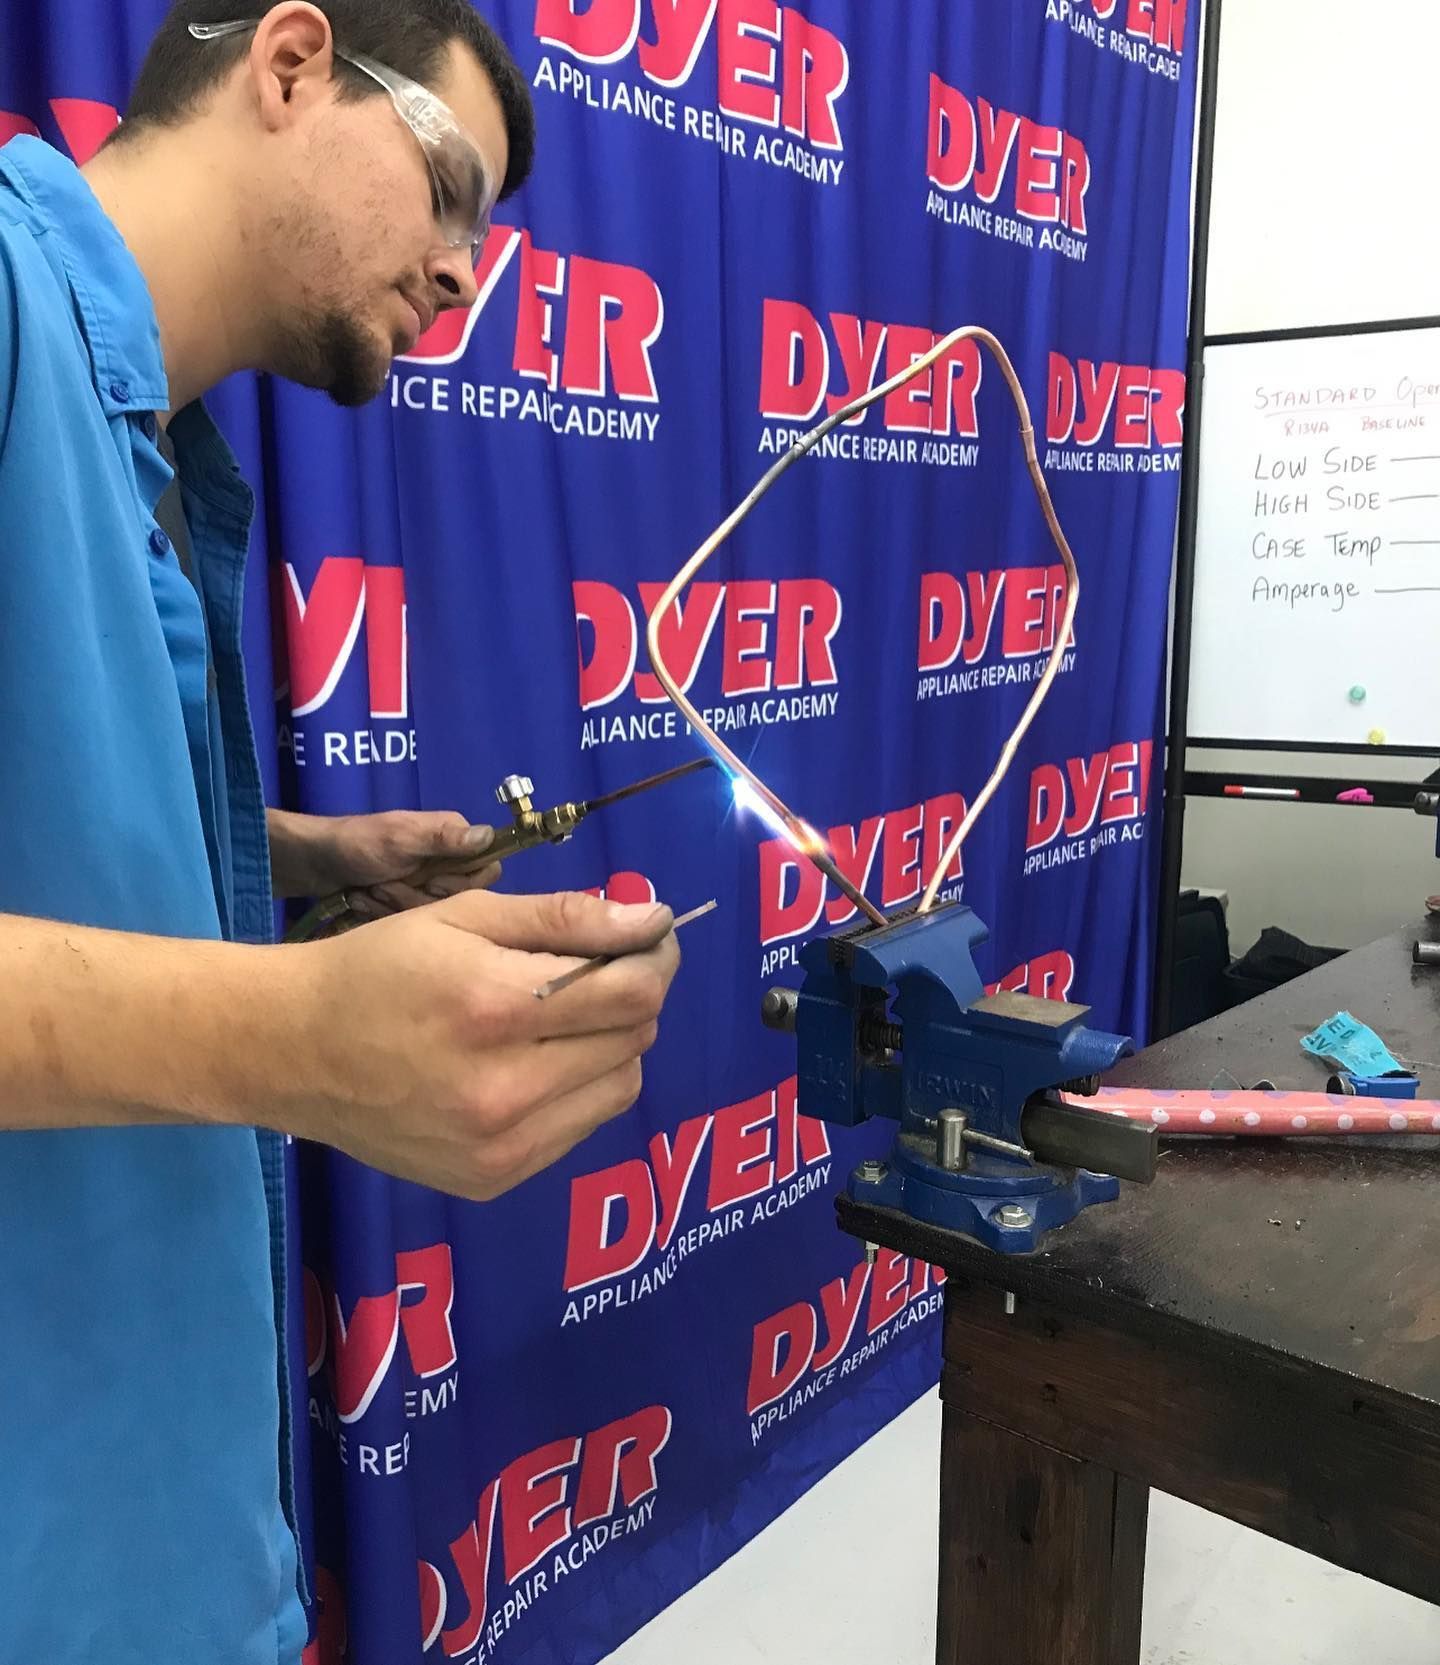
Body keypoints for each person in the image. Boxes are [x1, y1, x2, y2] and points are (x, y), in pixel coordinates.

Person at [0, 4, 681, 1662]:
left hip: (161, 1550)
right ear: (290, 66)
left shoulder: (150, 452)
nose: (463, 271)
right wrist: (292, 1032)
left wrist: (302, 862)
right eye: (448, 188)